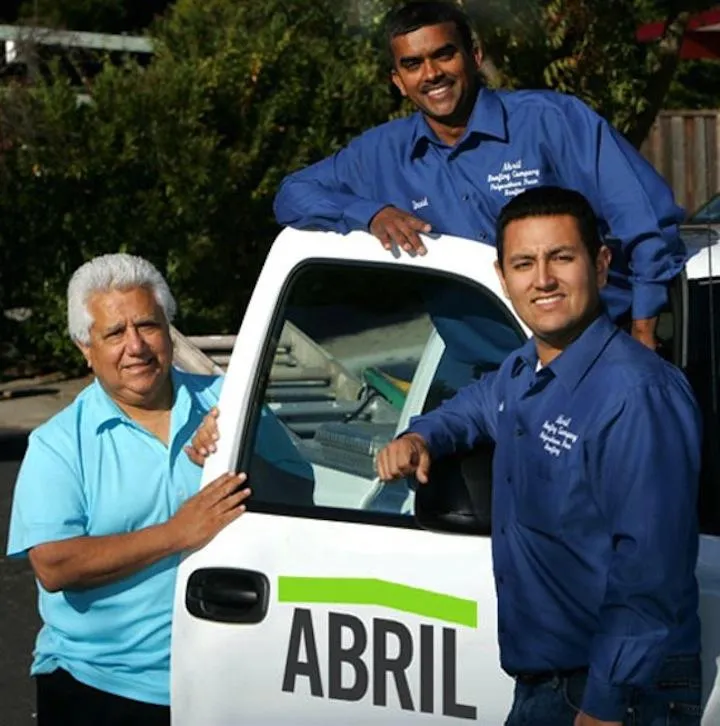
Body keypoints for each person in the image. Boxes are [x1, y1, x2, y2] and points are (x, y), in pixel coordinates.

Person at [376, 186, 702, 726]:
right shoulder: (523, 371)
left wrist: (605, 703)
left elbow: (649, 570)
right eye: (524, 263)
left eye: (562, 258)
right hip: (551, 686)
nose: (543, 279)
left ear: (600, 264)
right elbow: (474, 409)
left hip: (617, 692)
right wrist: (420, 438)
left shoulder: (636, 394)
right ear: (503, 278)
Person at [273, 0, 687, 350]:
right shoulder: (382, 155)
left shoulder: (553, 122)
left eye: (443, 54)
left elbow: (646, 220)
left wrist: (643, 331)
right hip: (486, 376)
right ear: (398, 81)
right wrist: (370, 213)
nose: (431, 73)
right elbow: (292, 194)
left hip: (596, 347)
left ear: (473, 55)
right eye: (413, 64)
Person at [5, 253, 306, 726]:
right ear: (86, 348)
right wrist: (177, 533)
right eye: (114, 333)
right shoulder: (58, 444)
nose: (136, 346)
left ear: (168, 330)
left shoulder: (227, 400)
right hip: (102, 685)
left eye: (147, 325)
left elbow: (301, 496)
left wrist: (245, 450)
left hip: (231, 677)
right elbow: (54, 565)